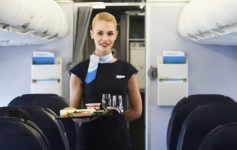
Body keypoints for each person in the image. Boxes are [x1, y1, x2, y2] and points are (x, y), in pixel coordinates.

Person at [69, 12, 142, 150]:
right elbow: (73, 112)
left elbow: (137, 111)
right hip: (88, 142)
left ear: (116, 35)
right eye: (99, 33)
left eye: (110, 33)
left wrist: (115, 118)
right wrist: (91, 116)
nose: (105, 38)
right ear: (91, 34)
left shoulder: (127, 70)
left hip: (118, 142)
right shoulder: (80, 71)